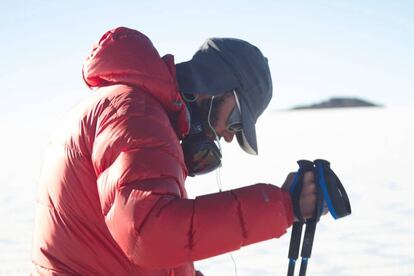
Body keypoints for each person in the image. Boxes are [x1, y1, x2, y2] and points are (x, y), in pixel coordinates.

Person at [31, 27, 317, 276]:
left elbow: (145, 248)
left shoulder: (134, 109)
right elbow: (150, 236)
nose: (229, 137)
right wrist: (283, 206)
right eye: (236, 122)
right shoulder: (134, 113)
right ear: (215, 87)